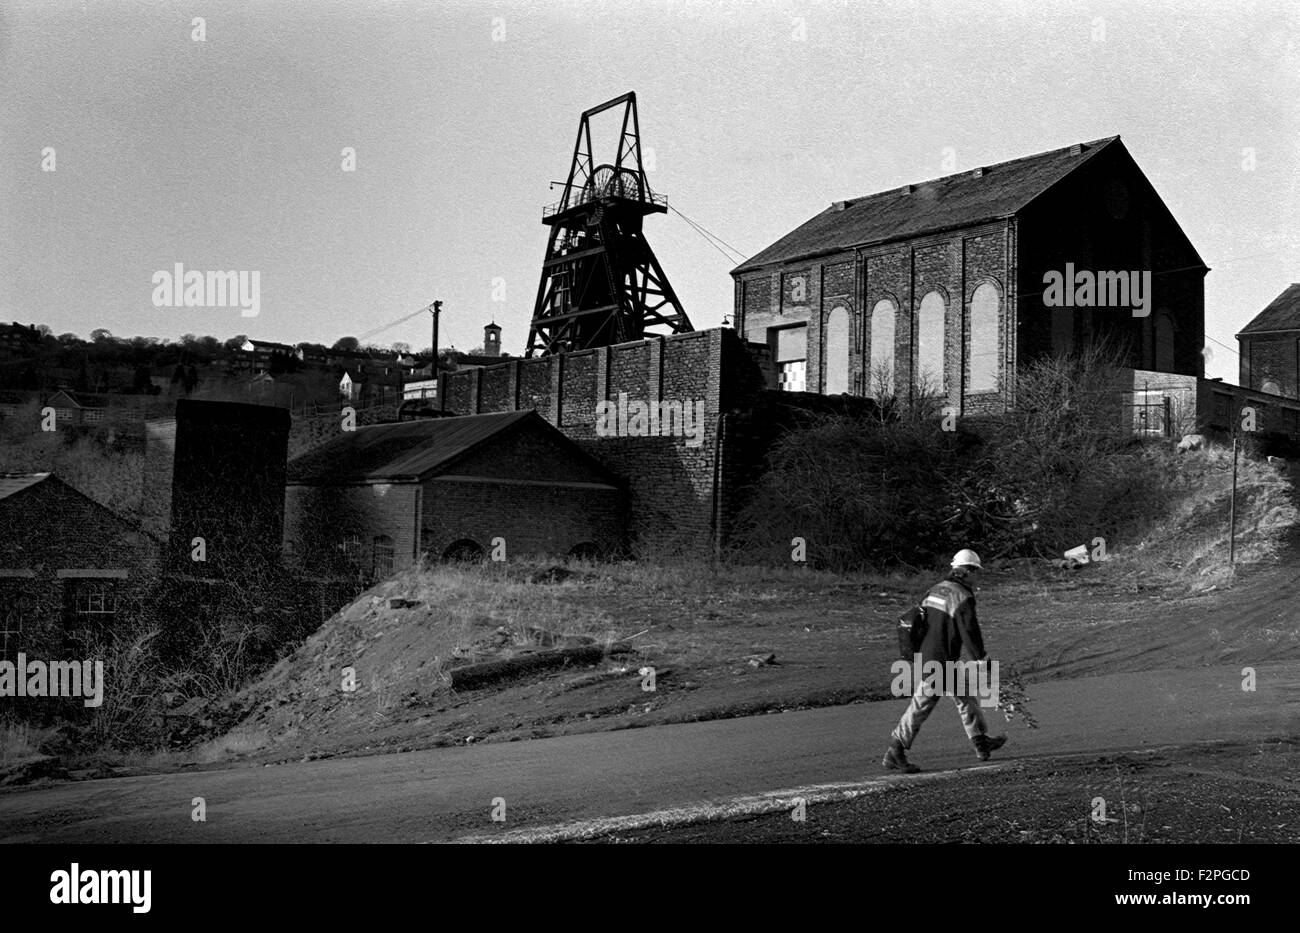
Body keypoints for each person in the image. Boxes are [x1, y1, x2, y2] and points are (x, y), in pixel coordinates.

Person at [882, 548, 1007, 773]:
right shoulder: (963, 596)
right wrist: (982, 659)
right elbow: (969, 631)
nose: (978, 577)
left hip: (929, 655)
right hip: (940, 662)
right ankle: (895, 751)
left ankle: (980, 742)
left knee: (965, 697)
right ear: (967, 571)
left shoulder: (935, 589)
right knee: (921, 706)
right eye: (976, 571)